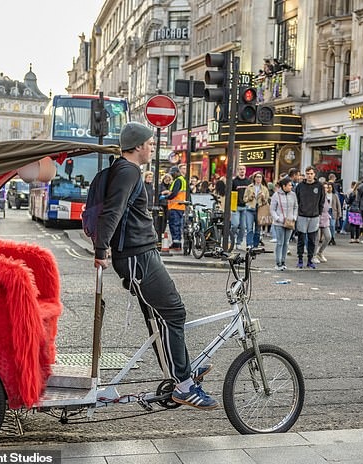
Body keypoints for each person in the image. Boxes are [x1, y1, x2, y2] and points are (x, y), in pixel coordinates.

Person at [93, 122, 218, 410]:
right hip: (138, 257)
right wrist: (101, 249)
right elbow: (113, 210)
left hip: (140, 255)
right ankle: (184, 385)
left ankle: (181, 370)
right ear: (137, 146)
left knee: (163, 316)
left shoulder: (124, 170)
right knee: (174, 312)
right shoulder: (128, 170)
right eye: (149, 143)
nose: (152, 147)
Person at [294, 166, 325, 269]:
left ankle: (310, 260)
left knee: (312, 239)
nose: (309, 175)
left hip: (314, 216)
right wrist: (297, 213)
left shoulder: (319, 186)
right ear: (305, 174)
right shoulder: (300, 186)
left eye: (311, 173)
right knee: (301, 239)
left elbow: (322, 201)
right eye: (307, 174)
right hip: (302, 215)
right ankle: (300, 259)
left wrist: (319, 213)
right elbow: (296, 200)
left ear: (314, 174)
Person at [271, 176, 298, 270]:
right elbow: (272, 209)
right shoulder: (276, 195)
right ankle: (278, 262)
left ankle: (283, 261)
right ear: (284, 186)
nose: (291, 187)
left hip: (290, 222)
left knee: (286, 243)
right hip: (279, 223)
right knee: (280, 242)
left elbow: (296, 207)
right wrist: (277, 218)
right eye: (289, 185)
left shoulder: (293, 195)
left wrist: (294, 217)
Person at [242, 171, 270, 249]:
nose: (258, 179)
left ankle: (255, 245)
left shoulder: (265, 189)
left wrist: (263, 197)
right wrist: (250, 197)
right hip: (250, 209)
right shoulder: (249, 187)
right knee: (249, 228)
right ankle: (249, 244)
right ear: (254, 178)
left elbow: (266, 202)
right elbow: (244, 199)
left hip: (260, 210)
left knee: (258, 229)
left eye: (260, 177)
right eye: (257, 177)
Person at [167, 164, 187, 250]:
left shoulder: (178, 180)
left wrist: (167, 197)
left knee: (174, 225)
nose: (171, 175)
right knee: (178, 225)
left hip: (175, 206)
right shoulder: (183, 180)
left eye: (172, 173)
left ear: (176, 173)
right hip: (181, 206)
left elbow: (174, 193)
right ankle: (177, 243)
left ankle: (176, 244)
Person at [232, 166, 250, 248]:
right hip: (236, 206)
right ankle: (231, 239)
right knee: (235, 225)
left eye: (243, 169)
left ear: (245, 171)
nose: (242, 171)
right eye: (240, 169)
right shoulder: (234, 181)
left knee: (243, 227)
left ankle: (238, 242)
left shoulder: (248, 181)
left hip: (245, 206)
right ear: (238, 171)